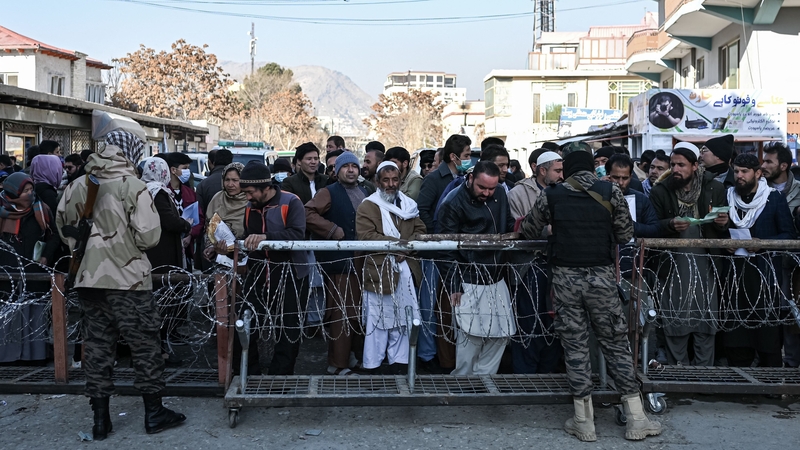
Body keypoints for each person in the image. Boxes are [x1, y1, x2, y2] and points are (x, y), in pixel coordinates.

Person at [519, 146, 662, 442]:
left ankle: (584, 421)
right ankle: (636, 417)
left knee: (575, 345)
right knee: (615, 344)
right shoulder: (611, 192)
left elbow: (529, 230)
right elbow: (625, 236)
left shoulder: (552, 194)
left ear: (567, 169)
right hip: (602, 280)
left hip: (565, 280)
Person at [57, 130, 185, 440]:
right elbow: (149, 237)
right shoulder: (133, 186)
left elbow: (64, 229)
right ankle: (154, 413)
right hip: (129, 280)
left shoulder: (77, 185)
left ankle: (101, 421)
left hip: (89, 279)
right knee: (145, 345)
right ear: (130, 152)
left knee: (98, 347)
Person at [649, 142, 729, 366]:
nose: (675, 169)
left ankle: (704, 376)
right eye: (673, 164)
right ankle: (679, 374)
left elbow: (721, 225)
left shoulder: (714, 188)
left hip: (705, 263)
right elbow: (652, 225)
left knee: (705, 319)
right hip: (673, 264)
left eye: (681, 165)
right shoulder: (660, 191)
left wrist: (723, 222)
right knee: (676, 319)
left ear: (695, 166)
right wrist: (670, 224)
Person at [437, 161, 516, 375]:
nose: (488, 193)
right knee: (470, 336)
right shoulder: (452, 202)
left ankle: (484, 379)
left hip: (496, 276)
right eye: (483, 188)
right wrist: (454, 284)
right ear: (471, 178)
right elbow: (445, 249)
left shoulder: (500, 192)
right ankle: (464, 382)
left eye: (492, 188)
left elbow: (507, 224)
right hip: (468, 278)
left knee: (502, 333)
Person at [722, 153, 795, 367]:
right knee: (736, 329)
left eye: (745, 172)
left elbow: (788, 234)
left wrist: (762, 243)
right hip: (735, 273)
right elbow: (718, 230)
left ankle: (770, 382)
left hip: (765, 274)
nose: (739, 176)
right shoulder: (727, 197)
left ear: (758, 173)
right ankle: (740, 381)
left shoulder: (773, 198)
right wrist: (726, 240)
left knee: (767, 331)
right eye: (736, 171)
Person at [305, 152, 374, 375]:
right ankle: (337, 364)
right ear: (337, 171)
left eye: (355, 166)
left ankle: (354, 357)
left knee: (358, 314)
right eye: (346, 167)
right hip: (341, 264)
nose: (351, 170)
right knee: (341, 314)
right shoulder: (329, 192)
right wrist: (332, 230)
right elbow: (307, 212)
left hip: (362, 262)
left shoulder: (365, 191)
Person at [238, 161, 309, 375]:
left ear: (266, 187)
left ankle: (280, 378)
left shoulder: (291, 202)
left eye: (250, 192)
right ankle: (248, 374)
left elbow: (297, 234)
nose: (248, 197)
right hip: (258, 273)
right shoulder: (250, 208)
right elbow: (248, 237)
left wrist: (266, 238)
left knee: (288, 328)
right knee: (247, 323)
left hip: (290, 273)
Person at [356, 161, 426, 374]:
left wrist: (405, 249)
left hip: (405, 270)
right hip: (379, 271)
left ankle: (400, 364)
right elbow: (366, 235)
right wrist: (397, 246)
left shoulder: (408, 205)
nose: (391, 184)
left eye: (395, 179)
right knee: (378, 322)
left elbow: (420, 231)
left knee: (402, 321)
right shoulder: (367, 205)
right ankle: (373, 367)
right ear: (377, 182)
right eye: (385, 180)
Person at [415, 134, 472, 373]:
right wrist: (438, 236)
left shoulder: (465, 179)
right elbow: (423, 210)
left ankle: (452, 354)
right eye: (467, 155)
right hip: (434, 252)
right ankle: (427, 355)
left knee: (452, 306)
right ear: (454, 156)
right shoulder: (434, 180)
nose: (470, 160)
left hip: (455, 253)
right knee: (429, 306)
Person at [507, 150, 564, 374]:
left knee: (553, 325)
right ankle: (525, 378)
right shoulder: (518, 193)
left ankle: (547, 374)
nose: (561, 175)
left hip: (557, 266)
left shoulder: (564, 191)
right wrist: (545, 230)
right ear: (542, 170)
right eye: (557, 170)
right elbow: (516, 228)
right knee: (530, 324)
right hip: (530, 267)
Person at [0, 173, 59, 365]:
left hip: (34, 271)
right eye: (25, 191)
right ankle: (8, 356)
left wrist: (46, 256)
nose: (29, 194)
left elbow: (53, 236)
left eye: (31, 190)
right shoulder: (2, 211)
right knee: (10, 312)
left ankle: (33, 356)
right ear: (12, 191)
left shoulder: (41, 210)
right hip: (7, 271)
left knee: (33, 313)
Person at [141, 157, 193, 365]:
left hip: (152, 252)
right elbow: (167, 220)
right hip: (161, 253)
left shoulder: (143, 190)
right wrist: (185, 224)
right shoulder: (158, 192)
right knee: (161, 303)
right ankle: (159, 352)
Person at [605, 154, 664, 238]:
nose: (620, 183)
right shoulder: (597, 197)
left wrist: (629, 225)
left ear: (631, 177)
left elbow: (654, 229)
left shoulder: (641, 199)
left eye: (625, 178)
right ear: (608, 175)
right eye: (616, 177)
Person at [160, 152, 202, 270]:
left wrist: (190, 235)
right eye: (185, 168)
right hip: (168, 248)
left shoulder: (190, 193)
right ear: (173, 170)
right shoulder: (163, 193)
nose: (187, 172)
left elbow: (200, 218)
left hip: (187, 251)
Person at [508, 151, 562, 219]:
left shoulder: (567, 190)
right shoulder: (517, 194)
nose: (562, 176)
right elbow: (517, 226)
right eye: (558, 171)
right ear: (543, 171)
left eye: (563, 171)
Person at [196, 149, 232, 216]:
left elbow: (199, 212)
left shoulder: (203, 184)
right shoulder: (238, 183)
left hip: (211, 224)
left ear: (213, 162)